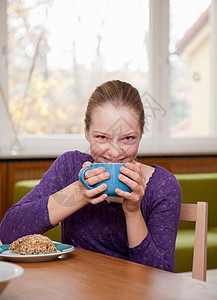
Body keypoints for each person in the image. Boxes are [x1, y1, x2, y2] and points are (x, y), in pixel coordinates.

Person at [0, 80, 181, 271]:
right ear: (86, 130)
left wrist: (133, 212)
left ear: (142, 131)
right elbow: (9, 233)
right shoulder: (70, 167)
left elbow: (161, 276)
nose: (114, 152)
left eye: (128, 138)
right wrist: (79, 192)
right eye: (102, 137)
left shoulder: (163, 186)